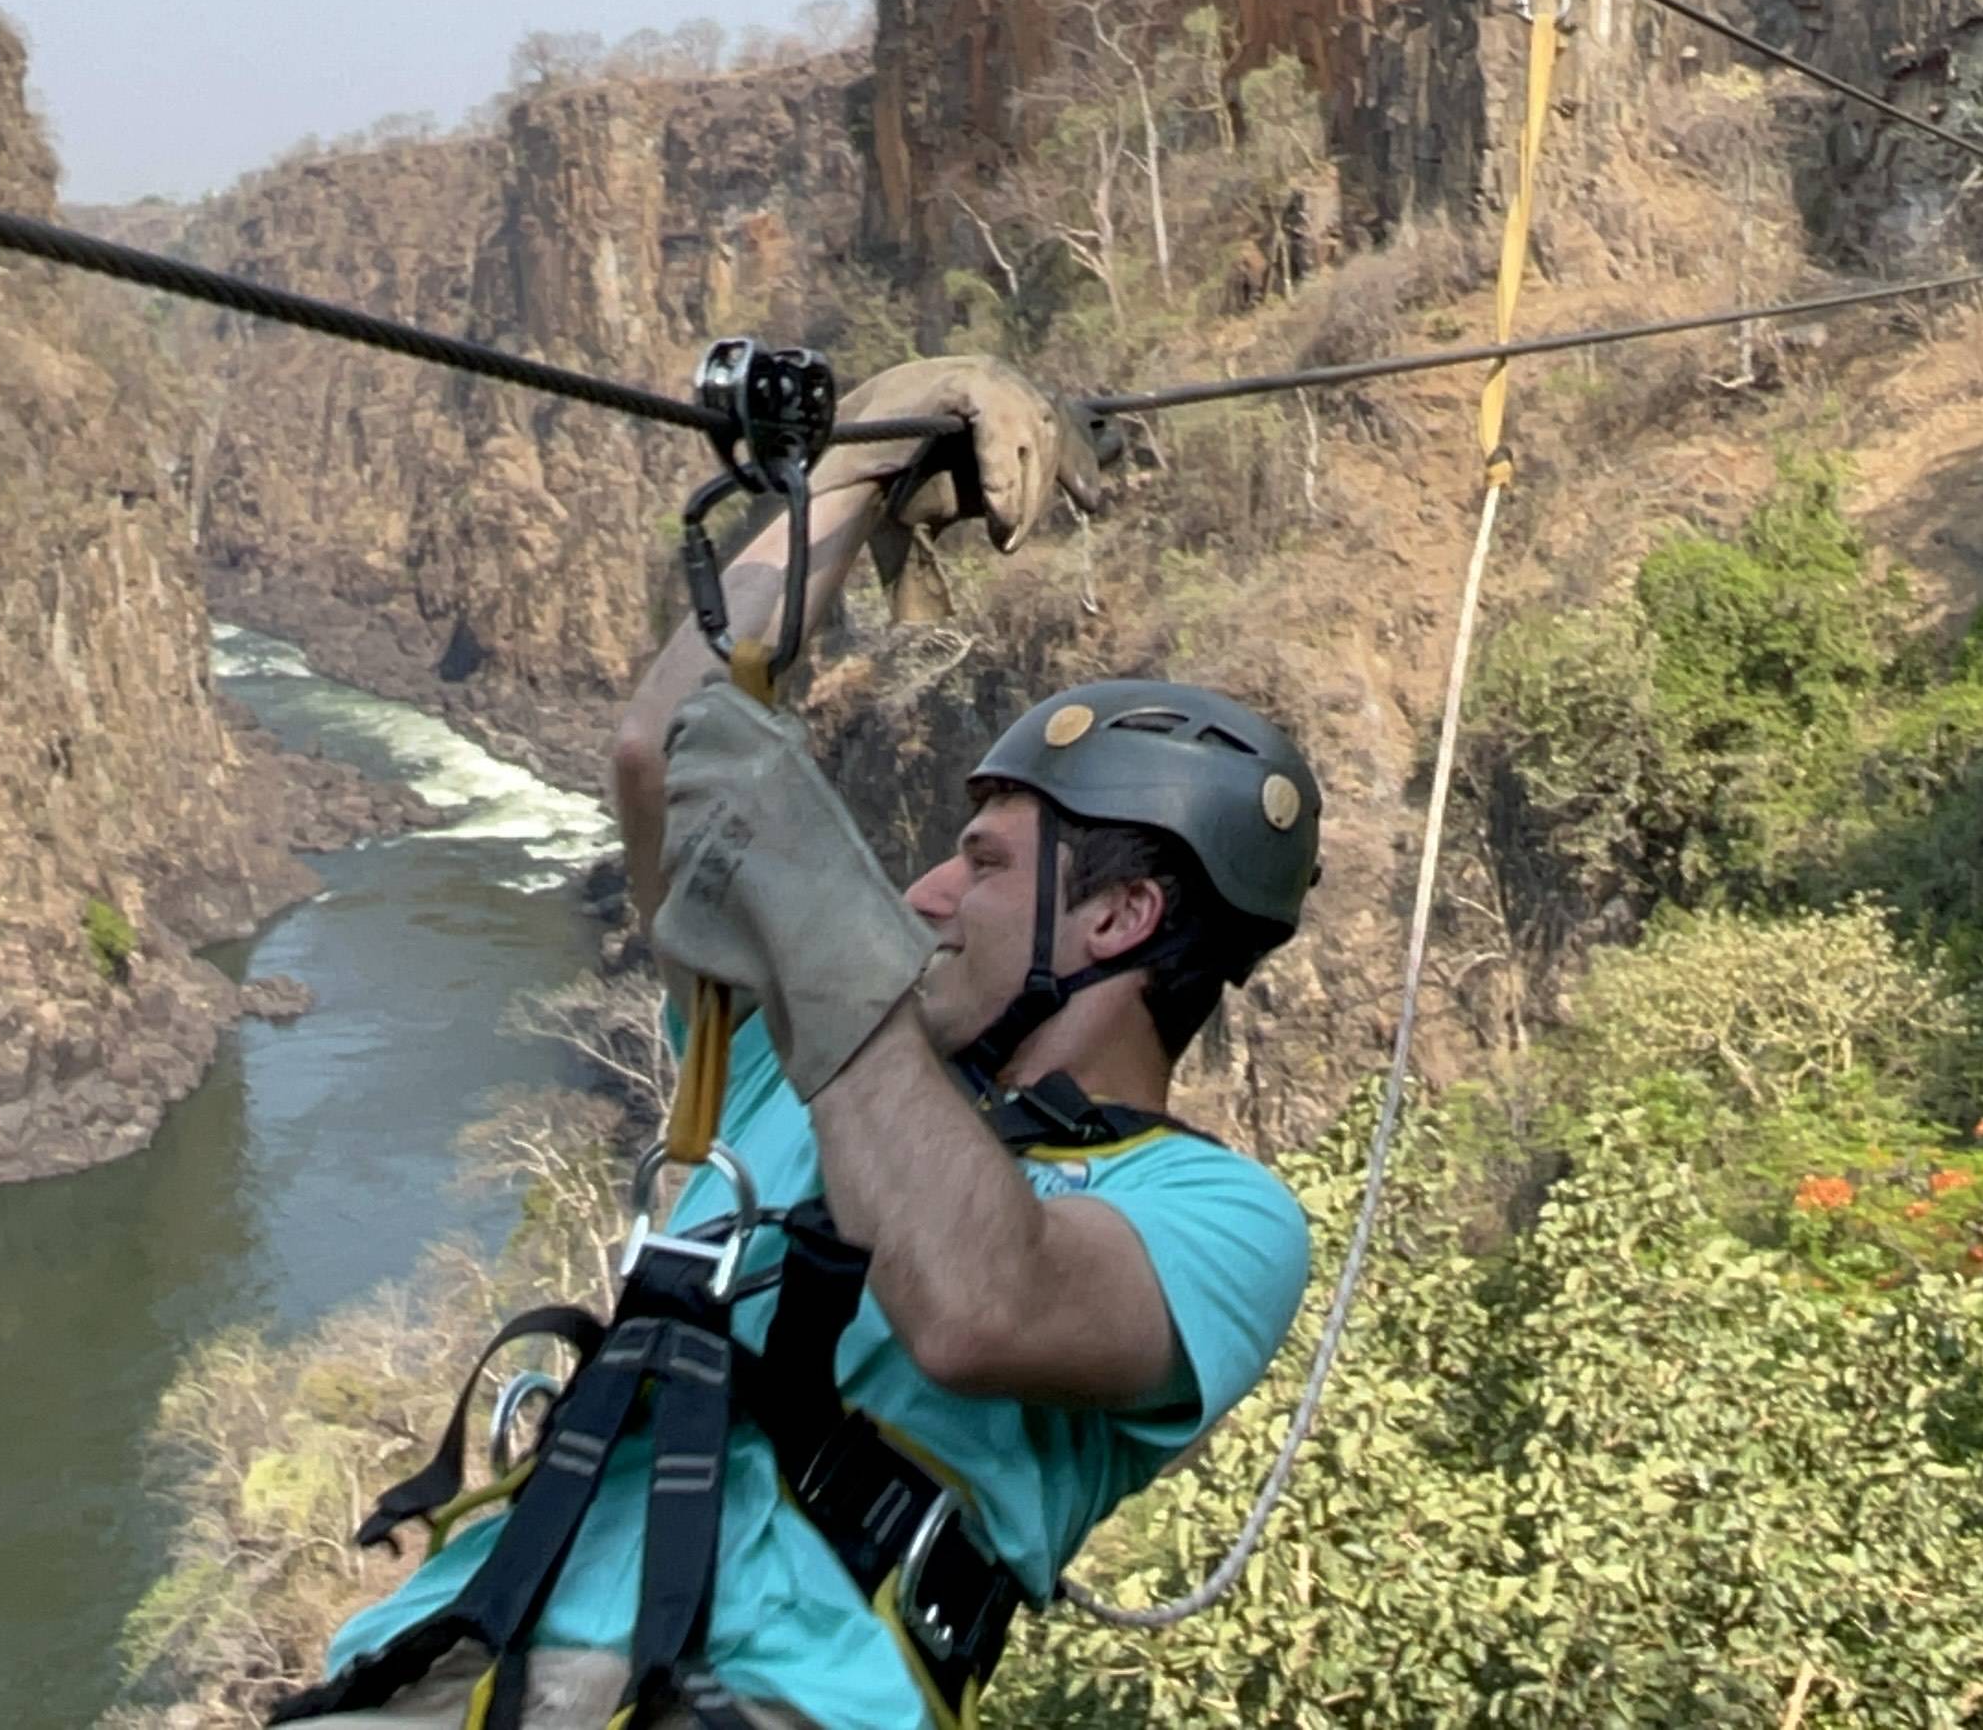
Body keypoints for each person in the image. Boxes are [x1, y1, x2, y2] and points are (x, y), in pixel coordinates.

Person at [278, 357, 1323, 1728]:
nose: (926, 893)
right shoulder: (788, 1069)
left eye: (982, 864)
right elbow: (665, 754)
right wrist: (857, 466)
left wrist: (828, 926)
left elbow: (980, 1303)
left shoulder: (1220, 1219)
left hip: (770, 1697)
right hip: (449, 1660)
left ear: (1120, 918)